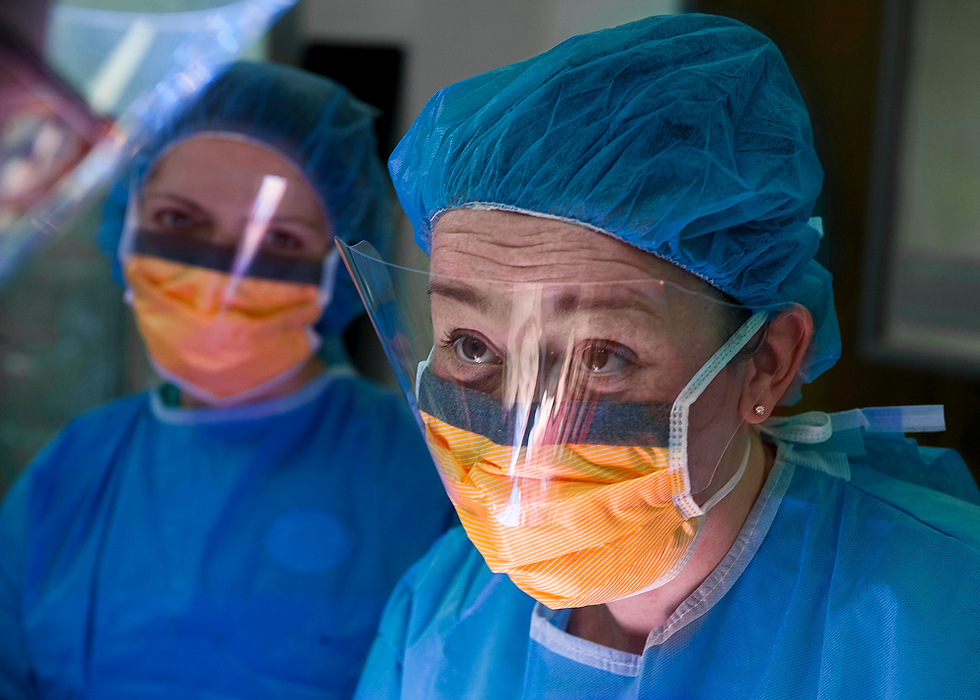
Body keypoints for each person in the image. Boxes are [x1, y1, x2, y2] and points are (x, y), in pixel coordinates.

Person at [340, 13, 980, 699]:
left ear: (766, 361)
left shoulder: (940, 618)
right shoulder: (440, 611)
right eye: (471, 345)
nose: (520, 429)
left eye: (602, 357)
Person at [0, 61, 453, 699]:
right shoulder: (75, 470)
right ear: (127, 227)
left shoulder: (426, 476)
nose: (223, 268)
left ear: (338, 266)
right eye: (180, 223)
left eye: (280, 237)